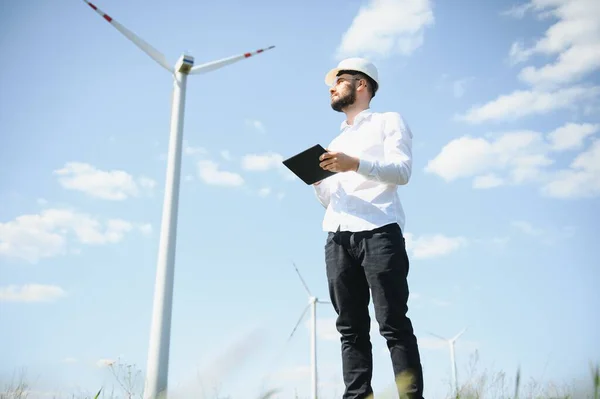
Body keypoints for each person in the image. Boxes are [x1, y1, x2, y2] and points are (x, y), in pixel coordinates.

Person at [312, 57, 424, 399]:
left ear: (361, 85)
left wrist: (354, 164)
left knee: (393, 324)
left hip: (379, 230)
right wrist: (318, 182)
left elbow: (402, 171)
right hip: (337, 237)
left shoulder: (389, 121)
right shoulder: (336, 140)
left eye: (339, 80)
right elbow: (329, 199)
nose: (332, 87)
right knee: (350, 329)